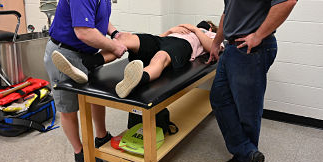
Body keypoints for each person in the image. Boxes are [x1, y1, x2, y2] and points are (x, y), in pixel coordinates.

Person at [208, 0, 298, 162]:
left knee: (247, 110)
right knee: (219, 98)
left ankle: (245, 161)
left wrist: (259, 36)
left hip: (251, 52)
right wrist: (216, 42)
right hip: (231, 49)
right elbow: (228, 11)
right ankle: (248, 154)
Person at [44, 0, 129, 162]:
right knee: (69, 107)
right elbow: (84, 31)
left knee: (95, 97)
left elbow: (101, 18)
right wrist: (115, 46)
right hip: (65, 52)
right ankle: (80, 151)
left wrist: (115, 34)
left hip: (87, 52)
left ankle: (101, 136)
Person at [51, 21, 220, 98]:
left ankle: (137, 79)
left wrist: (196, 30)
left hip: (183, 47)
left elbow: (213, 48)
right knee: (127, 39)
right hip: (163, 39)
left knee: (160, 57)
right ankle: (85, 65)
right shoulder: (179, 30)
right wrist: (170, 30)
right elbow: (159, 40)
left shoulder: (210, 34)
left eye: (205, 24)